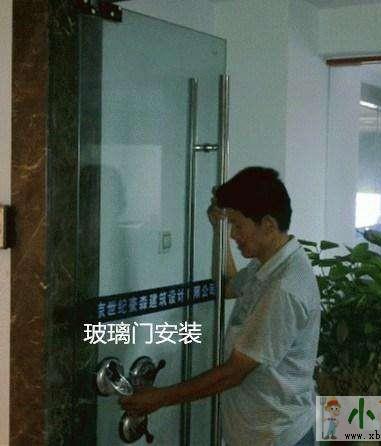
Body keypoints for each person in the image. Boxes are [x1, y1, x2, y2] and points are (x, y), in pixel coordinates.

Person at [120, 166, 321, 446]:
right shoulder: (268, 265)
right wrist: (219, 230)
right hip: (255, 433)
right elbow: (226, 285)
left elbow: (235, 373)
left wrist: (160, 397)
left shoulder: (285, 287)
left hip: (277, 437)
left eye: (238, 225)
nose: (234, 234)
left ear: (268, 225)